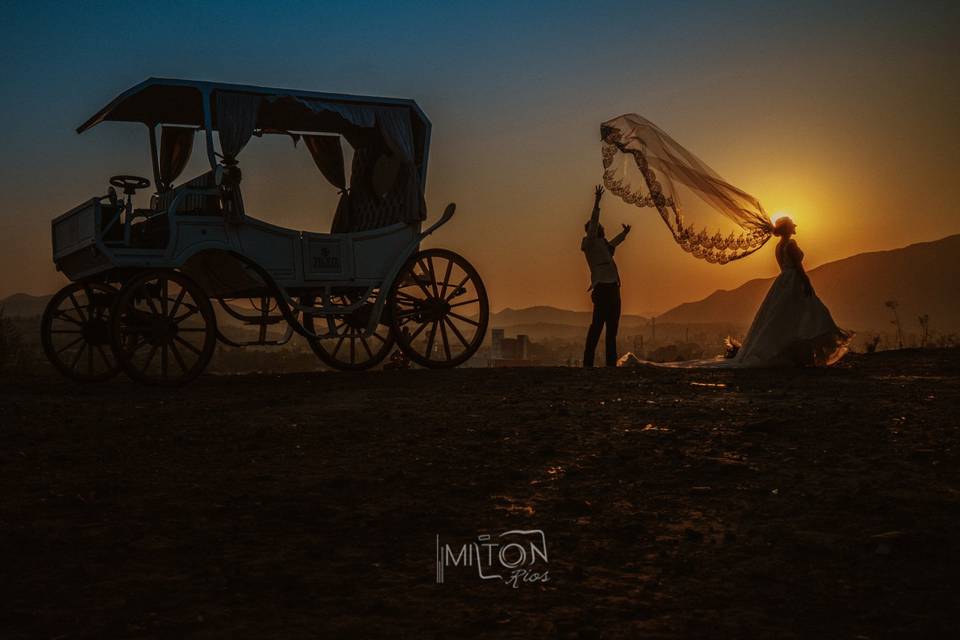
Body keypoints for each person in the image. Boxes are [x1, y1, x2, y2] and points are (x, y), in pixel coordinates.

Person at [730, 216, 852, 366]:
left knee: (790, 315)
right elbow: (798, 266)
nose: (795, 228)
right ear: (788, 229)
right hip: (794, 280)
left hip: (783, 281)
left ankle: (806, 356)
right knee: (812, 313)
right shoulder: (791, 244)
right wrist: (806, 282)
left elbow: (783, 266)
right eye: (792, 226)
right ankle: (815, 357)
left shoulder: (778, 246)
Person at [581, 185, 631, 367]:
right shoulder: (591, 244)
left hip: (613, 289)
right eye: (599, 227)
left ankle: (610, 363)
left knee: (612, 329)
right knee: (596, 327)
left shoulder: (602, 245)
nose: (601, 228)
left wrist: (624, 234)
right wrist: (596, 202)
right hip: (602, 289)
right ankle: (588, 362)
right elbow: (594, 222)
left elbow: (613, 244)